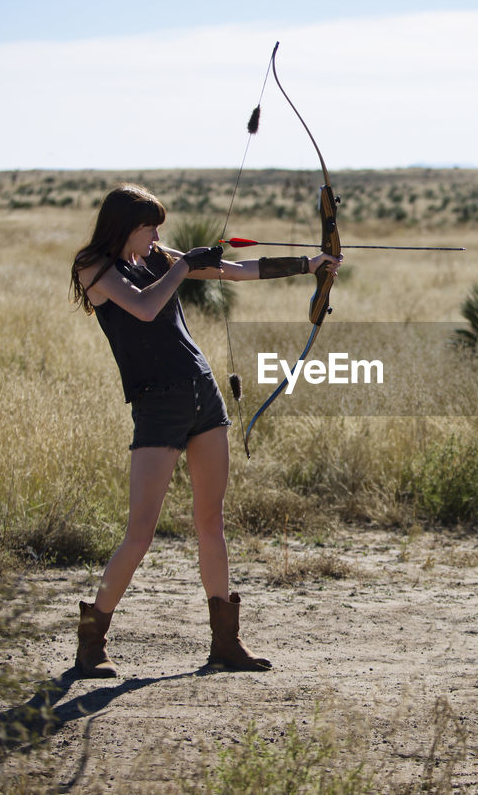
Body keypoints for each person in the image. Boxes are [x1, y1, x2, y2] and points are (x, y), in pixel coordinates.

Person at [68, 184, 340, 677]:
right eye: (149, 226)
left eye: (158, 228)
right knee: (140, 532)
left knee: (210, 522)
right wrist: (181, 264)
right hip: (157, 404)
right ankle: (92, 643)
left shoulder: (159, 257)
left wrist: (310, 265)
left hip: (202, 393)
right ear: (124, 226)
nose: (157, 235)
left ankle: (225, 643)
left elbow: (235, 270)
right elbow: (145, 307)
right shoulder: (96, 267)